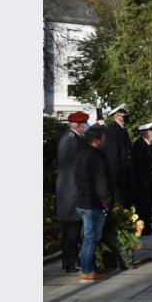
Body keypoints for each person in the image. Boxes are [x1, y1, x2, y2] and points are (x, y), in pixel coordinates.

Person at [74, 125, 113, 283]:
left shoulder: (81, 155)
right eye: (103, 139)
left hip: (82, 201)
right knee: (90, 238)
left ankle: (89, 267)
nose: (105, 142)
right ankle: (86, 271)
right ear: (96, 140)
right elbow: (101, 183)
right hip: (93, 204)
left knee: (91, 237)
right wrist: (107, 202)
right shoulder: (96, 158)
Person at [56, 111, 89, 273]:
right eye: (85, 125)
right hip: (71, 192)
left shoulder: (73, 138)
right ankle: (70, 262)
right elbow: (75, 168)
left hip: (70, 191)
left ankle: (68, 260)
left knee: (71, 229)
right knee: (71, 230)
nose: (86, 128)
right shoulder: (71, 140)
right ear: (80, 125)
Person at [103, 104, 133, 207]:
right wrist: (115, 174)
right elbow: (112, 154)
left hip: (125, 171)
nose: (126, 116)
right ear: (117, 116)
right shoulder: (112, 130)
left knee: (126, 199)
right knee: (119, 199)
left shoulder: (122, 129)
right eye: (124, 114)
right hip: (118, 173)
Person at [132, 122, 152, 235]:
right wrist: (144, 181)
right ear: (146, 133)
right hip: (142, 182)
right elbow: (139, 165)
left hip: (149, 180)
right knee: (142, 205)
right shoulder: (139, 145)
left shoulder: (148, 144)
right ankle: (141, 228)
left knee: (148, 204)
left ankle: (148, 225)